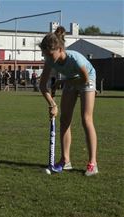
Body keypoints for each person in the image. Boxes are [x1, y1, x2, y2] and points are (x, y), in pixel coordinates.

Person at [39, 26, 98, 176]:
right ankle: (65, 161)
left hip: (87, 79)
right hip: (71, 80)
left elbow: (84, 79)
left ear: (59, 49)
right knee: (64, 119)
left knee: (86, 119)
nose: (48, 58)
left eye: (50, 55)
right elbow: (42, 85)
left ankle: (93, 163)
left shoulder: (74, 59)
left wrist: (64, 82)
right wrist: (52, 104)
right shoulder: (50, 61)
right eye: (45, 55)